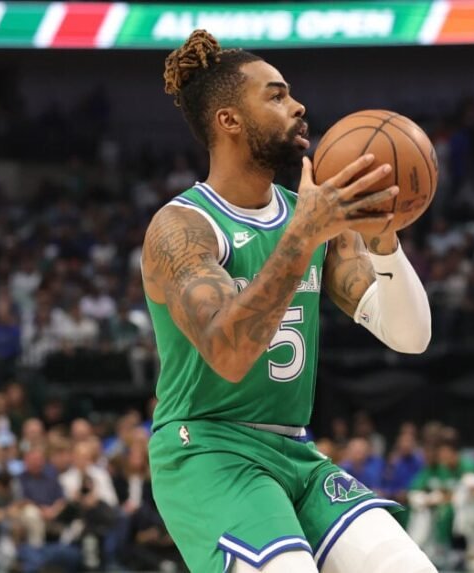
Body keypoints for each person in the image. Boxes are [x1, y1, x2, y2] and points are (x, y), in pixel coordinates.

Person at [141, 29, 433, 573]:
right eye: (275, 95)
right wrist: (304, 235)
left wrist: (386, 241)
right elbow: (227, 354)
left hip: (295, 451)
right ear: (228, 119)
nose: (297, 105)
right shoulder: (182, 227)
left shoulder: (313, 216)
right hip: (207, 450)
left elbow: (410, 337)